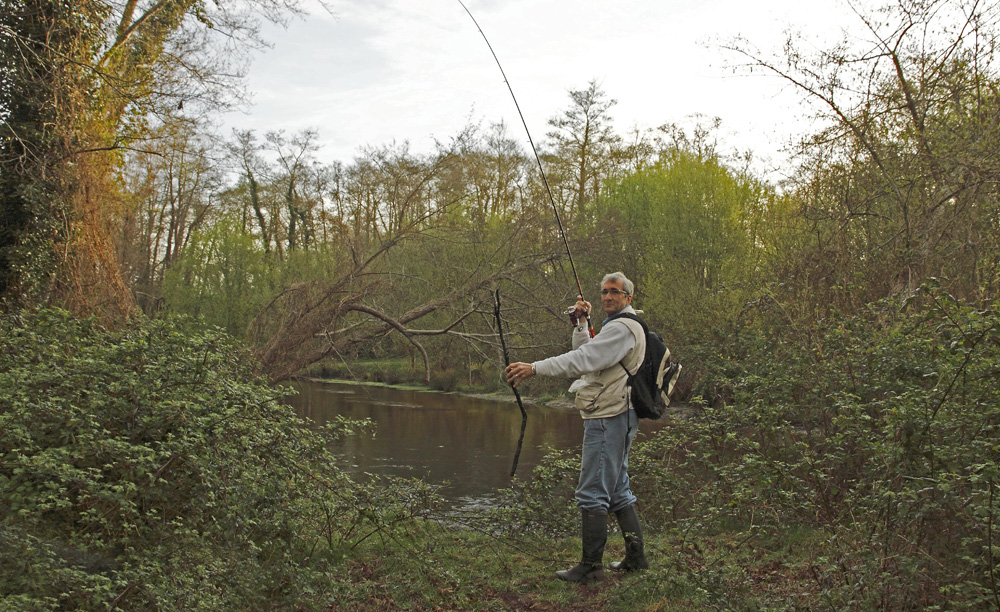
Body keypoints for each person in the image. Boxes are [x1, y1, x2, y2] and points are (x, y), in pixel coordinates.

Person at [505, 271, 649, 583]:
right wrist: (581, 323)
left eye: (614, 292)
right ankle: (636, 560)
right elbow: (591, 355)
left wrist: (535, 368)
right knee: (618, 490)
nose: (608, 296)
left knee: (592, 491)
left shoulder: (623, 329)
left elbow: (582, 360)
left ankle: (591, 566)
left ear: (628, 298)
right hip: (615, 415)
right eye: (604, 292)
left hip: (610, 417)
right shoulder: (617, 327)